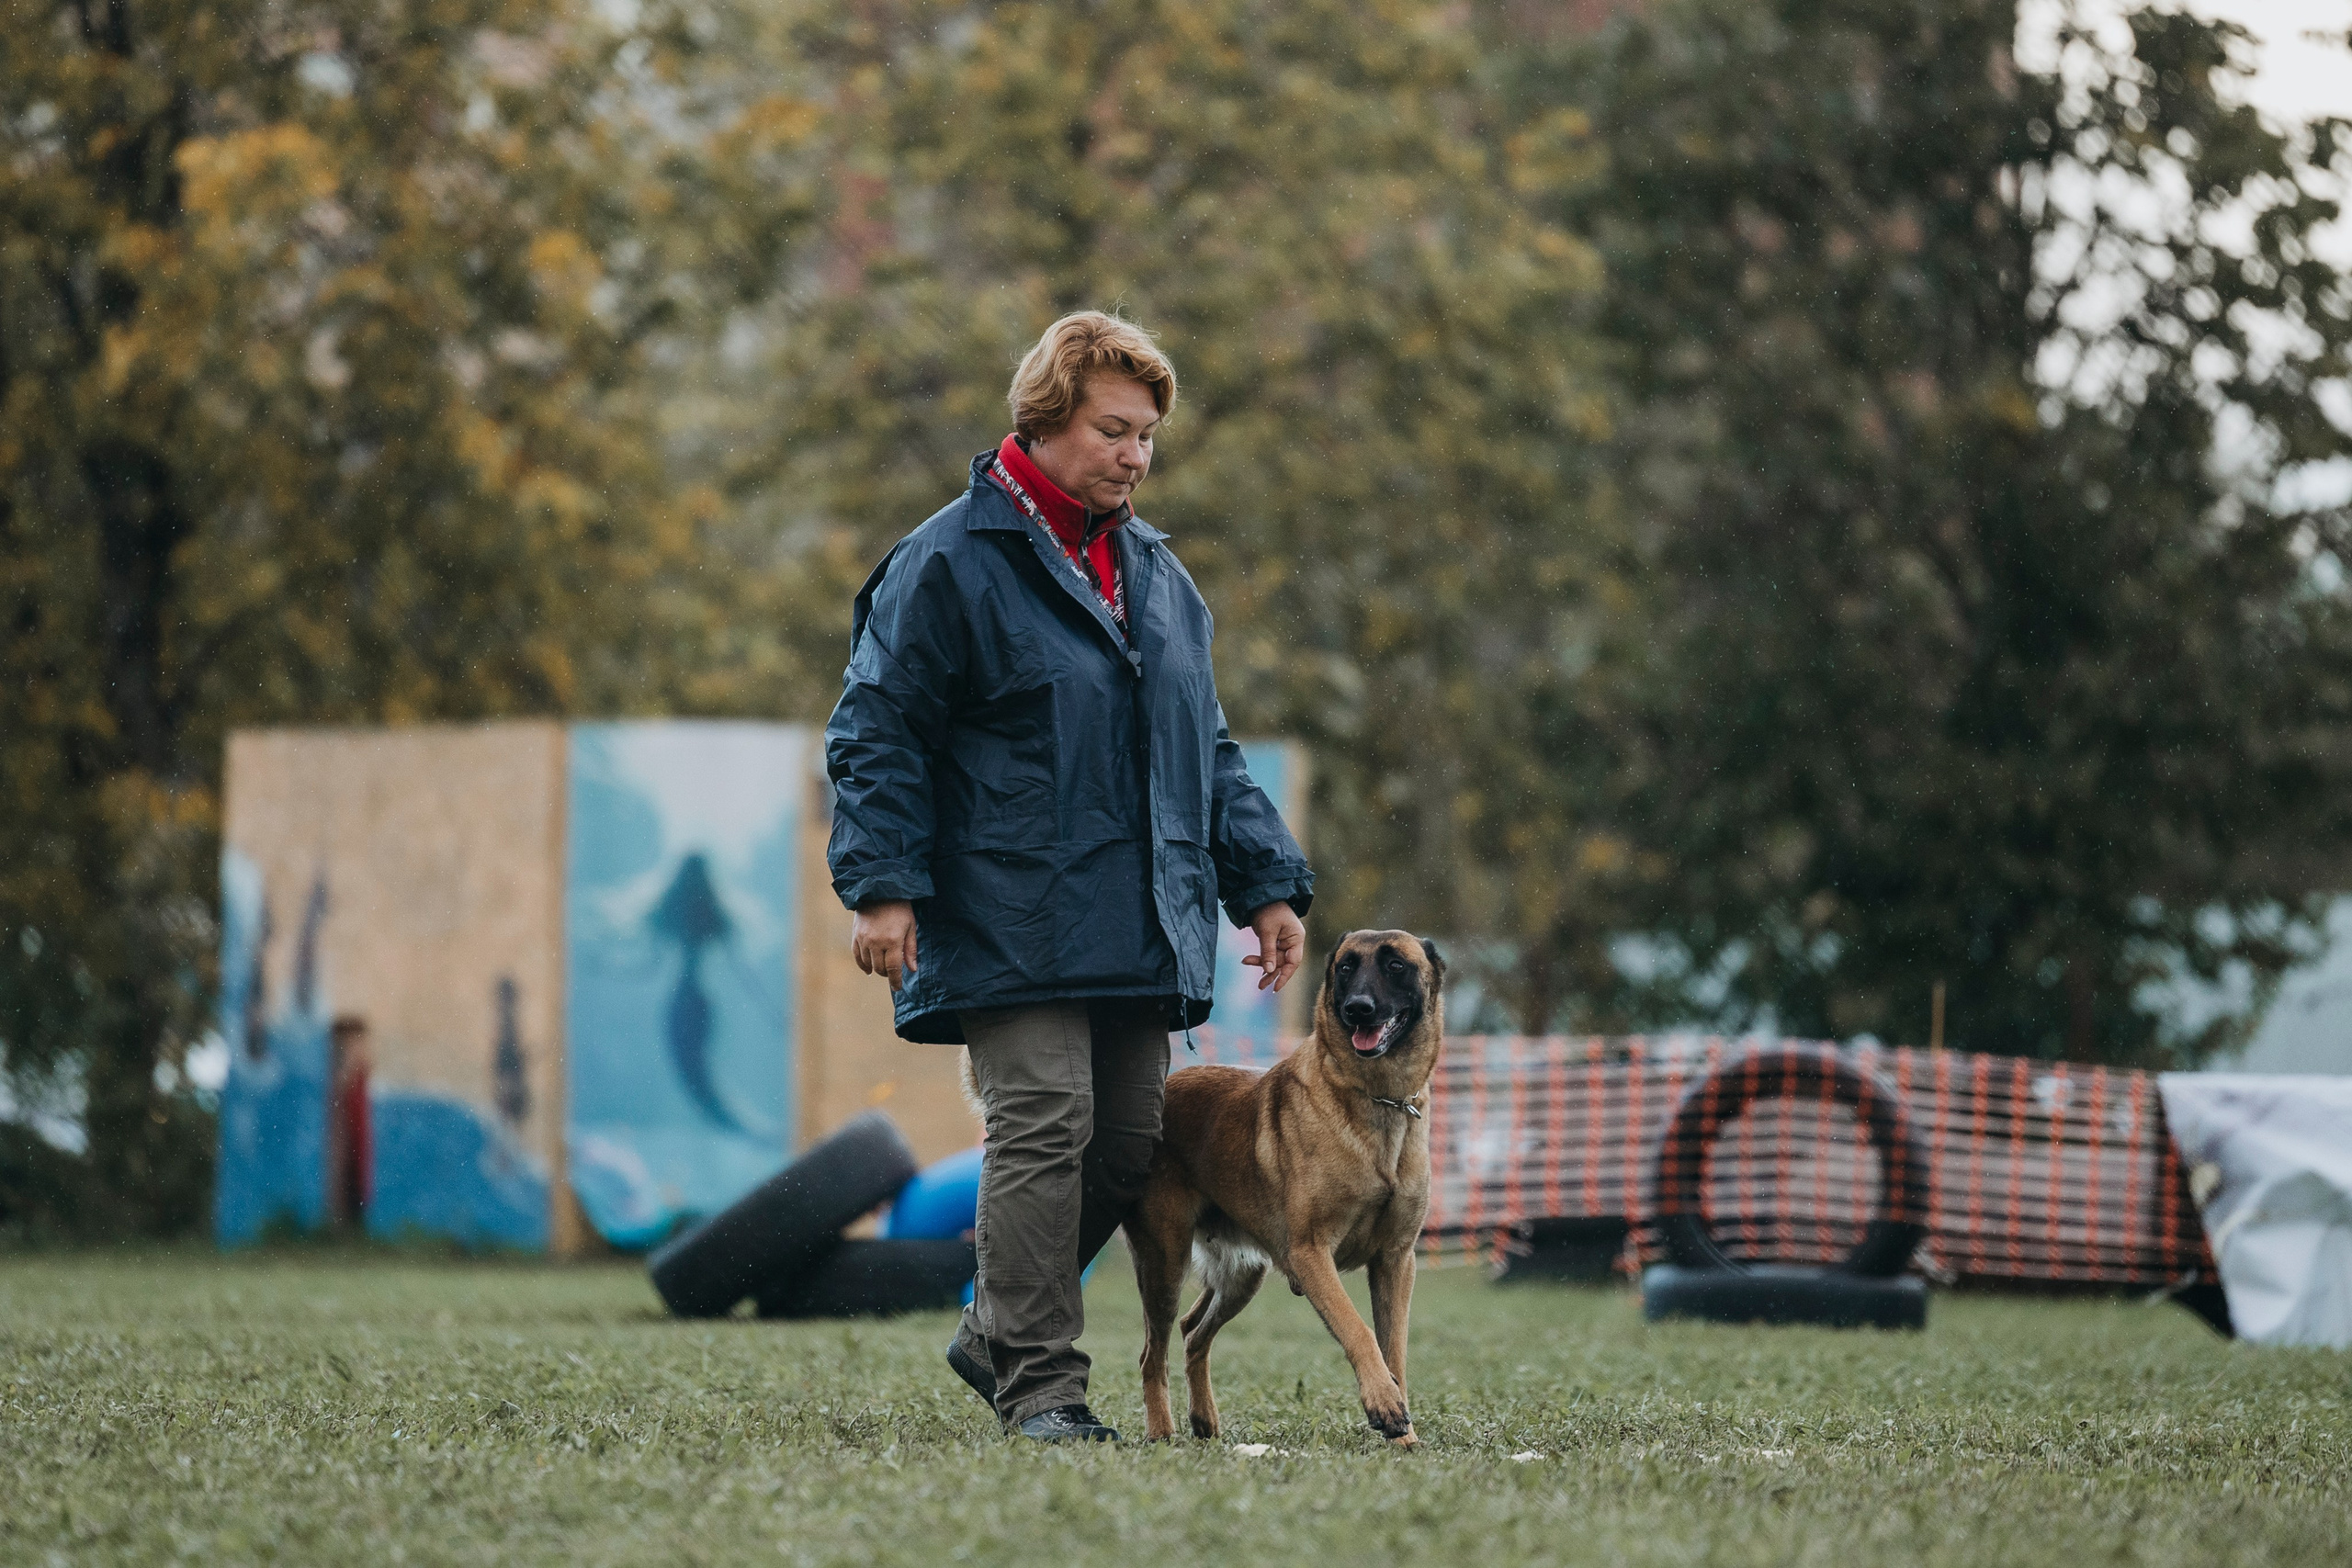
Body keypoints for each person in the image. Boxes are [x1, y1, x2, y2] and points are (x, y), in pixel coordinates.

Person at [824, 311, 1314, 1442]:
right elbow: (877, 730)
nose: (1134, 456)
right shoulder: (946, 562)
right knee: (1045, 1122)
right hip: (1003, 909)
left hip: (1138, 918)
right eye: (1113, 430)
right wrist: (884, 885)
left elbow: (1207, 749)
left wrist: (1267, 883)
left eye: (1146, 436)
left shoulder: (1158, 574)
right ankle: (1041, 1385)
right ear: (1041, 419)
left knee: (1130, 1144)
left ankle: (996, 1328)